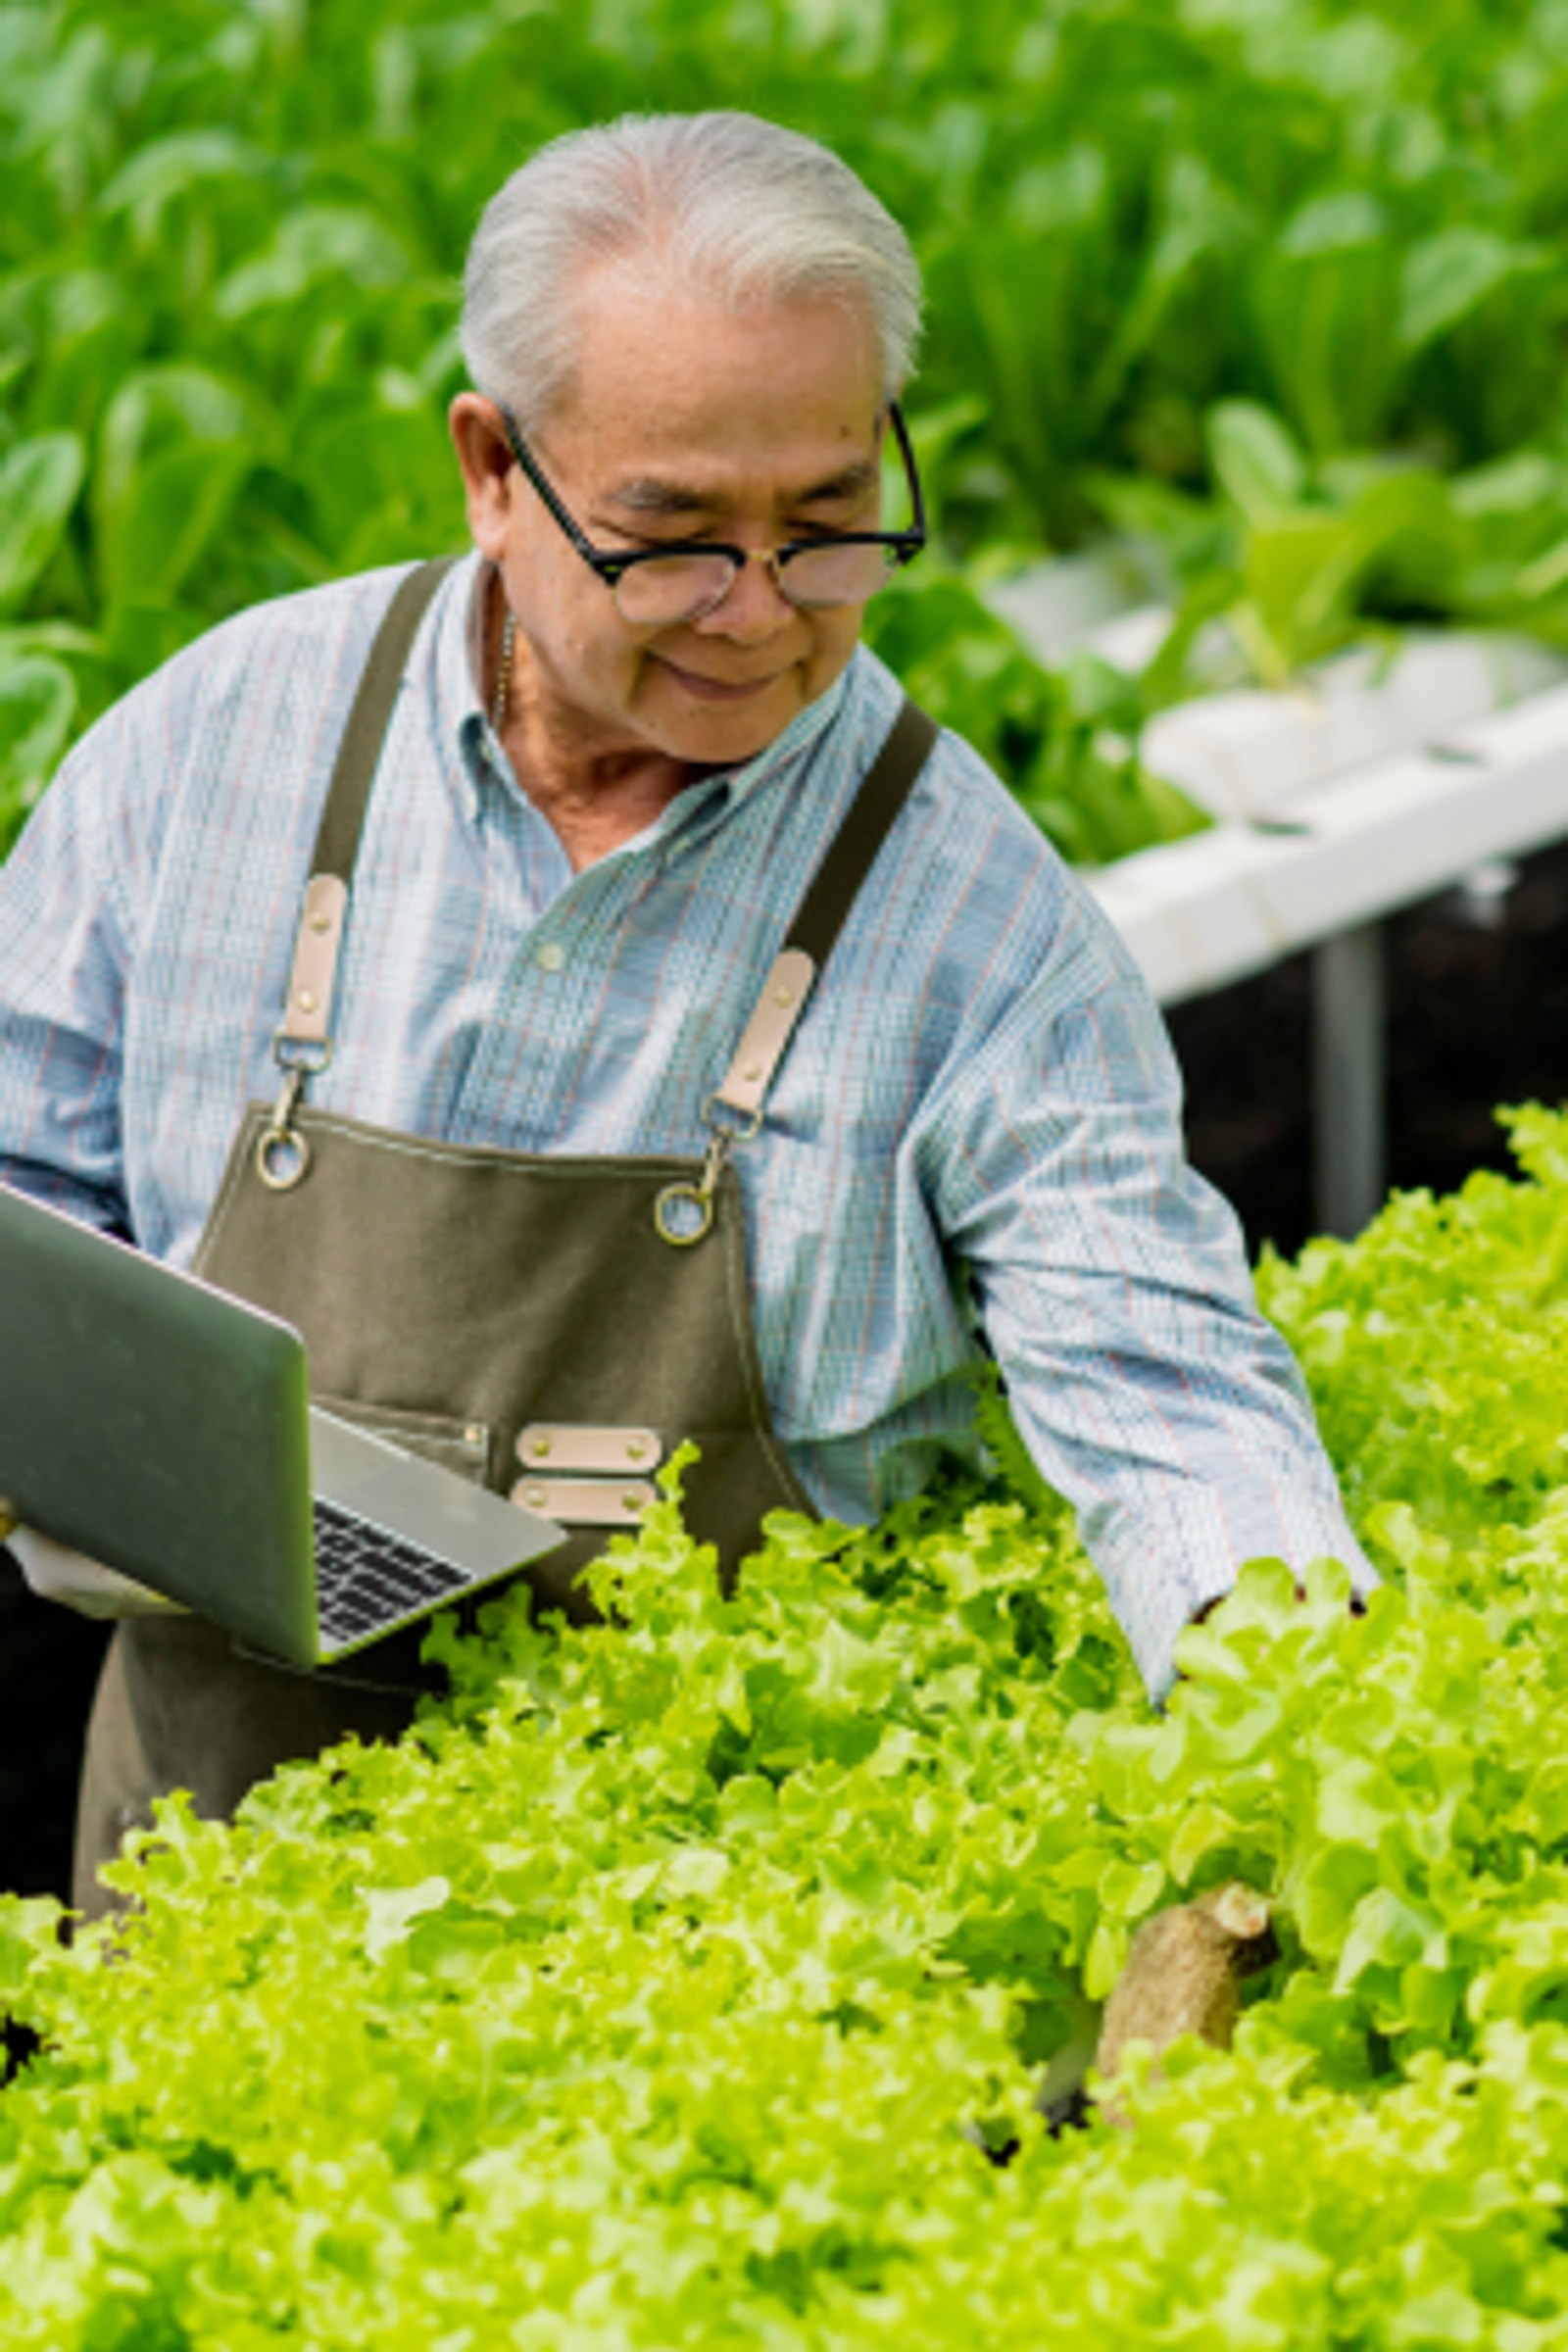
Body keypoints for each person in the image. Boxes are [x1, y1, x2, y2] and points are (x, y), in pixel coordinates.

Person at [0, 112, 1374, 1914]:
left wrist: (1304, 1715)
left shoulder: (987, 932)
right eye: (672, 535)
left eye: (826, 529)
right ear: (495, 468)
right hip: (221, 1876)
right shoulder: (215, 747)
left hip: (737, 1920)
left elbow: (1166, 1392)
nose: (757, 616)